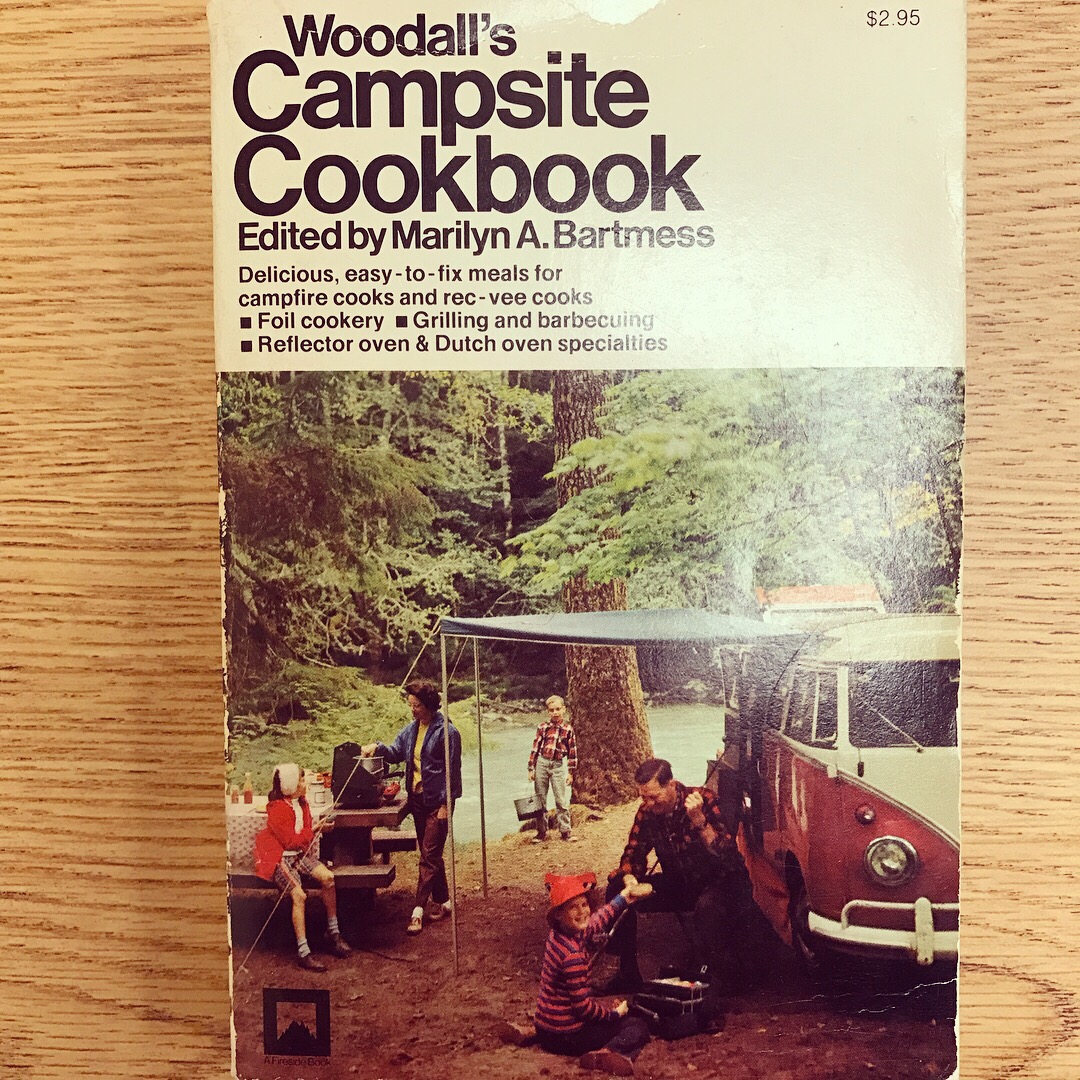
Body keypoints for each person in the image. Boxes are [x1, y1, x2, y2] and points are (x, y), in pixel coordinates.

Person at [602, 757, 754, 1005]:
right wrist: (630, 878)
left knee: (707, 906)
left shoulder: (703, 799)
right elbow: (633, 852)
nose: (648, 804)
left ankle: (722, 977)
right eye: (643, 798)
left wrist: (700, 822)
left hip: (719, 883)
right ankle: (628, 972)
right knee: (616, 890)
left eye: (654, 797)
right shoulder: (648, 811)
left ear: (671, 785)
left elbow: (729, 858)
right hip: (680, 884)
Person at [362, 679, 462, 935]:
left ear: (428, 704)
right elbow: (396, 752)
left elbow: (453, 773)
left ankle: (417, 910)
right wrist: (377, 747)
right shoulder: (412, 729)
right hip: (417, 800)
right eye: (410, 705)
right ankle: (444, 901)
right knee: (431, 853)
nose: (412, 709)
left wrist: (446, 804)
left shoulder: (447, 732)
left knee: (428, 856)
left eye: (416, 705)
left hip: (437, 802)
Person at [534, 871, 653, 1076]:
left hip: (544, 1028)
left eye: (584, 905)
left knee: (607, 1014)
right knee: (637, 1026)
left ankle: (531, 1035)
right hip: (566, 1035)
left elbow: (598, 919)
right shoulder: (572, 956)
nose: (582, 912)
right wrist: (613, 1015)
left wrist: (624, 897)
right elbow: (582, 1009)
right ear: (559, 915)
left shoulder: (558, 934)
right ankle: (608, 1053)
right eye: (573, 907)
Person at [253, 763, 353, 972]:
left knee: (328, 878)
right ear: (290, 786)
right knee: (299, 895)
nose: (304, 782)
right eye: (300, 779)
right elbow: (290, 842)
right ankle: (303, 951)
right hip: (280, 857)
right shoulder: (277, 808)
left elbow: (302, 837)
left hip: (299, 855)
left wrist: (319, 828)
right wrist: (314, 830)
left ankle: (333, 932)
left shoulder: (302, 803)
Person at [527, 694, 578, 843]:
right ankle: (541, 832)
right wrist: (531, 768)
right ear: (547, 711)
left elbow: (572, 752)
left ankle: (565, 831)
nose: (555, 712)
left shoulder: (568, 729)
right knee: (540, 799)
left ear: (563, 709)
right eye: (551, 710)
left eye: (558, 709)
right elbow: (535, 748)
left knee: (561, 800)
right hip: (542, 763)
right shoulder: (543, 727)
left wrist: (570, 772)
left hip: (558, 765)